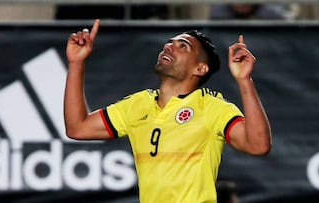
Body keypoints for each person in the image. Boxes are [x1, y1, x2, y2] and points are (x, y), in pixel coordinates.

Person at [64, 19, 271, 203]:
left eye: (183, 46)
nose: (169, 46)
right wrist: (76, 63)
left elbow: (258, 145)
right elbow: (77, 128)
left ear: (200, 68)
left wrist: (244, 81)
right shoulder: (137, 105)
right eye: (170, 42)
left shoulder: (210, 106)